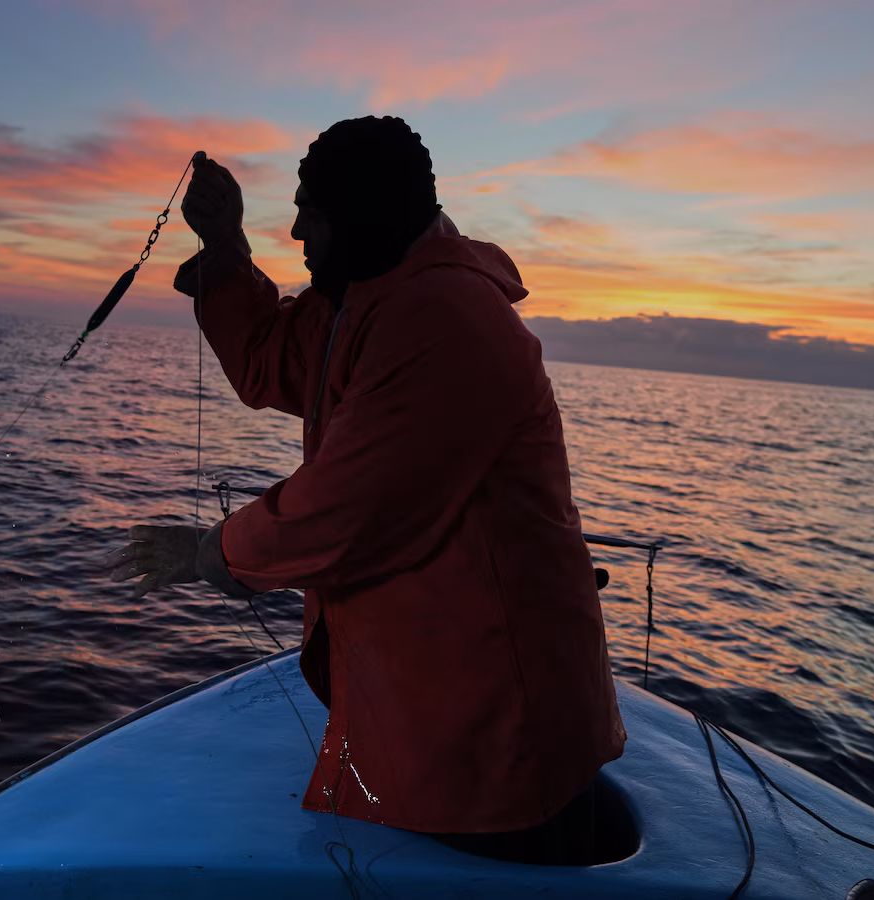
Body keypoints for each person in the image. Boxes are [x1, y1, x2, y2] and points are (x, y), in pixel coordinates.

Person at [100, 116, 625, 864]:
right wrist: (224, 248)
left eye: (311, 209)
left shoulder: (446, 322)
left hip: (496, 735)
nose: (295, 229)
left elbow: (346, 510)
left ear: (366, 212)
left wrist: (209, 553)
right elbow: (266, 359)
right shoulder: (361, 300)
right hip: (434, 713)